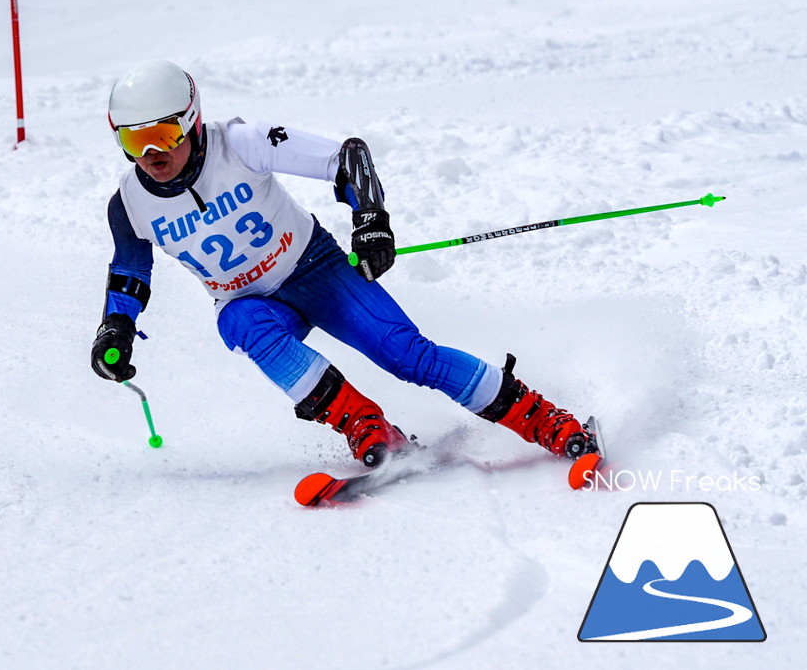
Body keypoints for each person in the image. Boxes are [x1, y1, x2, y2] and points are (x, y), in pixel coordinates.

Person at [90, 59, 595, 468]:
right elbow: (130, 272)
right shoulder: (131, 204)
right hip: (249, 301)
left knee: (407, 357)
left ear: (192, 121)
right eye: (135, 141)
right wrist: (115, 327)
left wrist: (370, 220)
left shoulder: (240, 144)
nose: (152, 154)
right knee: (239, 322)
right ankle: (364, 425)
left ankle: (544, 419)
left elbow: (346, 158)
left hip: (315, 269)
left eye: (162, 134)